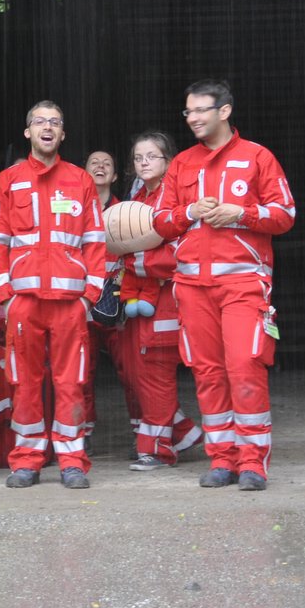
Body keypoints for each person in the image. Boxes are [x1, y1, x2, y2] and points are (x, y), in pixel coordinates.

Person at [150, 79, 296, 492]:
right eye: (188, 112)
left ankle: (253, 463)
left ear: (225, 111)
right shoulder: (181, 164)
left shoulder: (257, 157)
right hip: (192, 286)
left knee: (245, 367)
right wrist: (189, 211)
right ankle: (222, 459)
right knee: (207, 373)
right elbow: (159, 223)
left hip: (244, 285)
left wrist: (242, 213)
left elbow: (284, 214)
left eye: (200, 111)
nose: (193, 118)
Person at [0, 101, 107, 489]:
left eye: (56, 122)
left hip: (70, 304)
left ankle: (72, 460)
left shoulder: (81, 181)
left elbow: (95, 241)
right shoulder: (7, 181)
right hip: (25, 303)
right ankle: (27, 460)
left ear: (63, 134)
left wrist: (89, 296)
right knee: (24, 382)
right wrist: (6, 297)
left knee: (72, 383)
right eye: (40, 121)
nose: (48, 127)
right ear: (28, 132)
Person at [118, 131, 205, 470]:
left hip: (169, 297)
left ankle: (157, 450)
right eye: (139, 157)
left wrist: (133, 262)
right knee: (140, 372)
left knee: (155, 371)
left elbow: (180, 251)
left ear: (169, 160)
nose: (144, 162)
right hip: (143, 297)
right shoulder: (138, 194)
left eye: (152, 156)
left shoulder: (177, 195)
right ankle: (180, 434)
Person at [81, 149, 141, 454]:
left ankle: (143, 433)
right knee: (82, 372)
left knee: (131, 370)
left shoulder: (127, 211)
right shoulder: (74, 210)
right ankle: (83, 433)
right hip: (83, 303)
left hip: (117, 303)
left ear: (115, 175)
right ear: (84, 172)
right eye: (94, 163)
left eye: (107, 163)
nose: (101, 166)